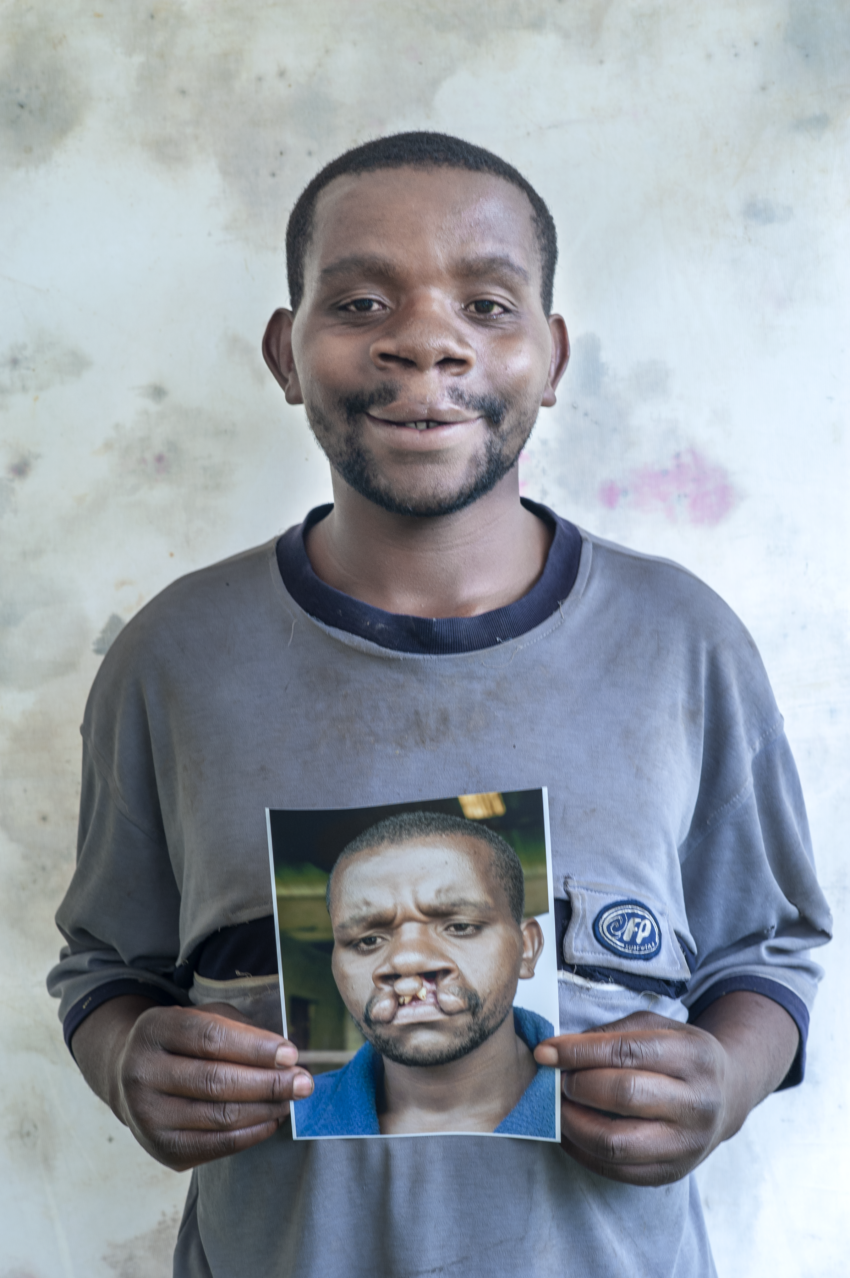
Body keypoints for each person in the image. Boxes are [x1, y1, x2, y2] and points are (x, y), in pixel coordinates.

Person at [48, 132, 832, 1278]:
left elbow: (768, 949)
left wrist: (725, 1082)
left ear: (552, 355)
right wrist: (126, 1061)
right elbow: (105, 962)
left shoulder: (681, 644)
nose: (425, 338)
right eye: (362, 301)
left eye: (487, 302)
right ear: (286, 350)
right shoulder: (175, 657)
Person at [295, 809, 556, 1139]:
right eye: (368, 940)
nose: (407, 961)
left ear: (527, 949)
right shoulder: (282, 1123)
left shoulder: (605, 1108)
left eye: (460, 927)